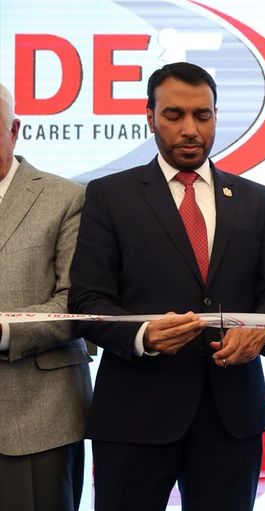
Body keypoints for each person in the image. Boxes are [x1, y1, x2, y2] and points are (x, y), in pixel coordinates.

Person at [68, 62, 265, 511]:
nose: (190, 129)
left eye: (202, 115)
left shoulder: (255, 199)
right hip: (135, 416)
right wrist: (142, 336)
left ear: (216, 116)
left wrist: (264, 332)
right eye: (174, 115)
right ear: (150, 117)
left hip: (231, 418)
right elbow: (87, 301)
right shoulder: (108, 196)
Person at [0, 83, 92, 511]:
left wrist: (3, 330)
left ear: (14, 130)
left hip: (37, 417)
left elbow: (77, 304)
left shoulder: (66, 197)